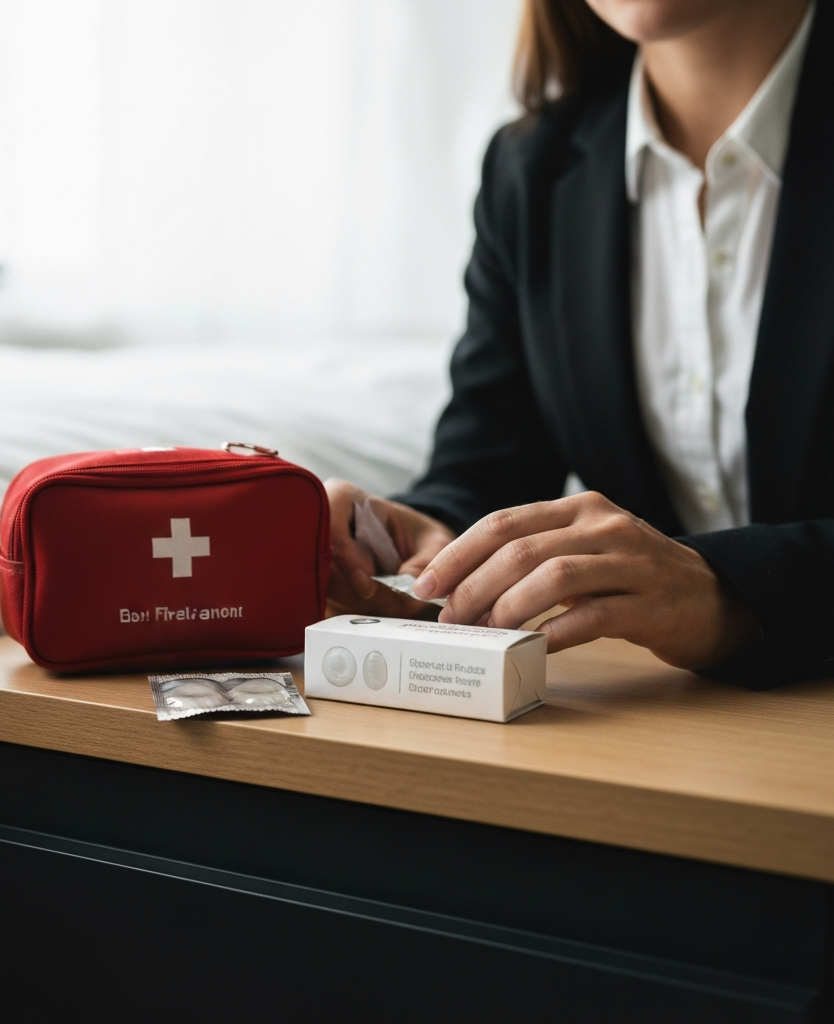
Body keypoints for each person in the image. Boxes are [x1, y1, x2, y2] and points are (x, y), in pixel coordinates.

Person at [327, 0, 834, 689]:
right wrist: (422, 541)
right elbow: (489, 467)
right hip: (671, 730)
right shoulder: (532, 168)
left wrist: (726, 591)